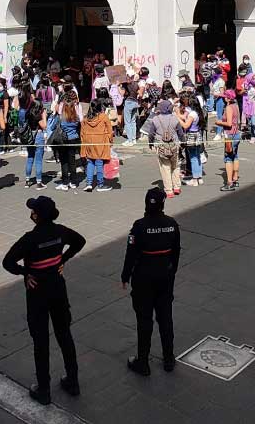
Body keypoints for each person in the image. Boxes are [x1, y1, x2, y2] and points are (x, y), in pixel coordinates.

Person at [1, 195, 86, 405]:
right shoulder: (60, 232)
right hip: (57, 286)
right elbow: (80, 241)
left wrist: (24, 272)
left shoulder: (29, 239)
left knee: (41, 341)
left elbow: (8, 262)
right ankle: (73, 381)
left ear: (36, 216)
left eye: (33, 211)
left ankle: (44, 390)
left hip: (37, 289)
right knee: (64, 333)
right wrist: (63, 259)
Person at [121, 188, 181, 376]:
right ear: (163, 204)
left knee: (144, 320)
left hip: (143, 279)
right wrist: (172, 272)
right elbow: (176, 252)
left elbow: (130, 254)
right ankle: (169, 358)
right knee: (165, 317)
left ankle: (143, 362)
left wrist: (125, 276)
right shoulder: (172, 224)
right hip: (165, 277)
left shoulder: (139, 226)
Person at [142, 99, 184, 196]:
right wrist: (182, 142)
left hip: (161, 146)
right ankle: (177, 186)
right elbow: (180, 133)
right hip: (174, 145)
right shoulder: (175, 118)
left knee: (165, 168)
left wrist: (151, 143)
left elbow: (151, 133)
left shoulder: (155, 119)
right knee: (176, 166)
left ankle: (169, 191)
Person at [79, 98, 114, 193]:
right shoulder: (103, 117)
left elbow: (82, 133)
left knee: (90, 162)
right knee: (99, 163)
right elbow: (110, 130)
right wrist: (110, 141)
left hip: (89, 143)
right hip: (100, 143)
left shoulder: (86, 119)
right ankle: (100, 184)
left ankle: (89, 184)